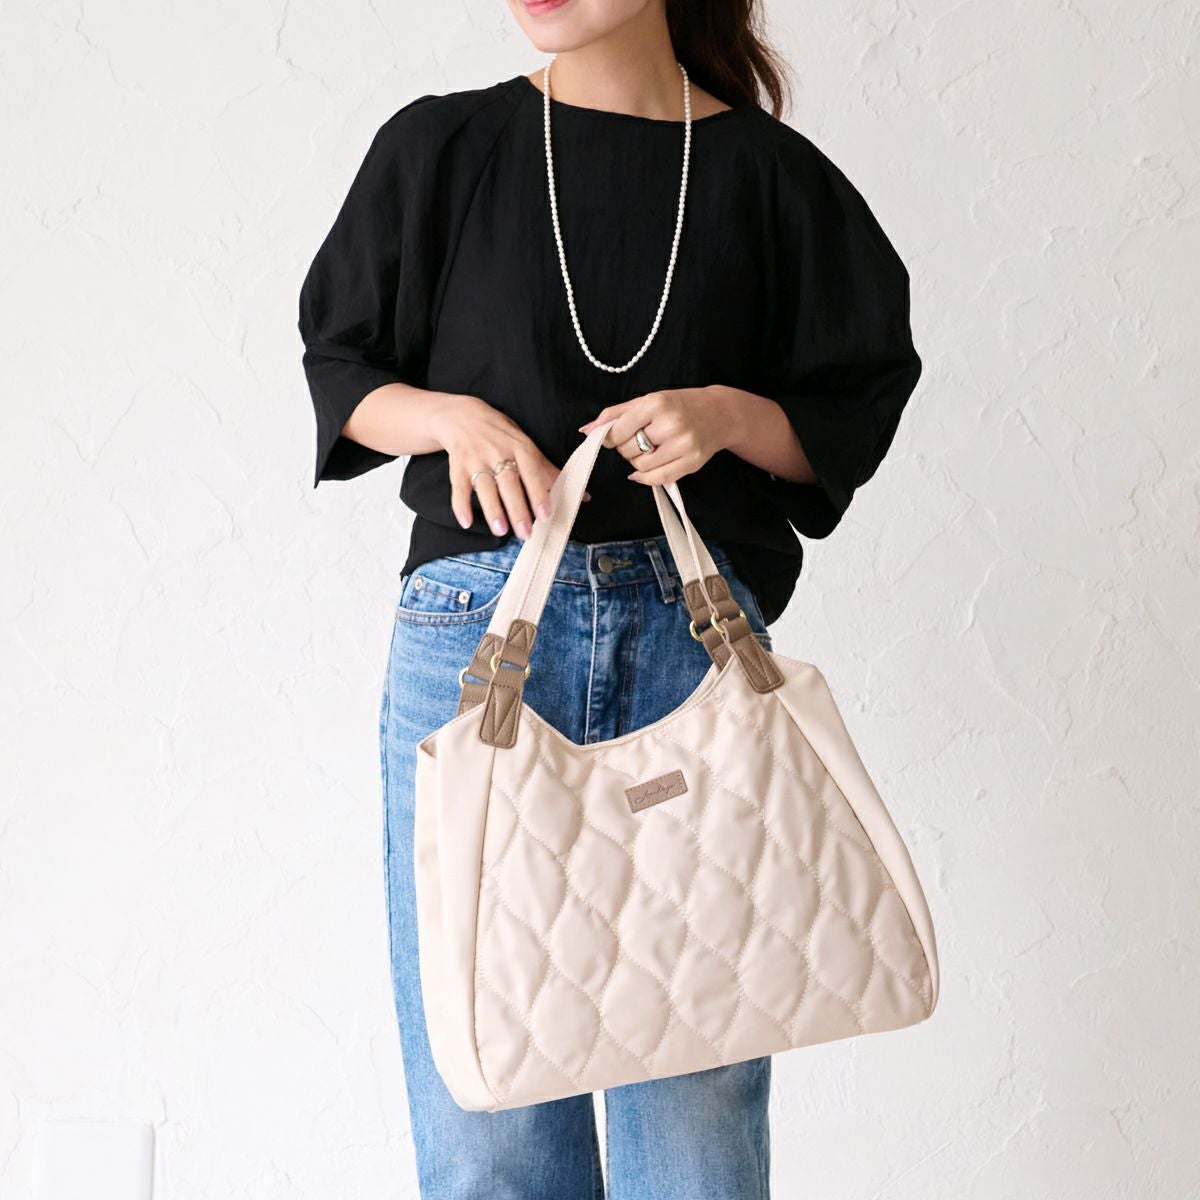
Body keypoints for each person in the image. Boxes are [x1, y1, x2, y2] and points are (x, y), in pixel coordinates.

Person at [297, 1, 921, 1195]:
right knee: (486, 1096)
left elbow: (852, 405)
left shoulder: (769, 179)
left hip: (695, 648)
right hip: (475, 640)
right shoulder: (443, 149)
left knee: (698, 1099)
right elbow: (342, 365)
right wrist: (449, 419)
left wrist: (727, 415)